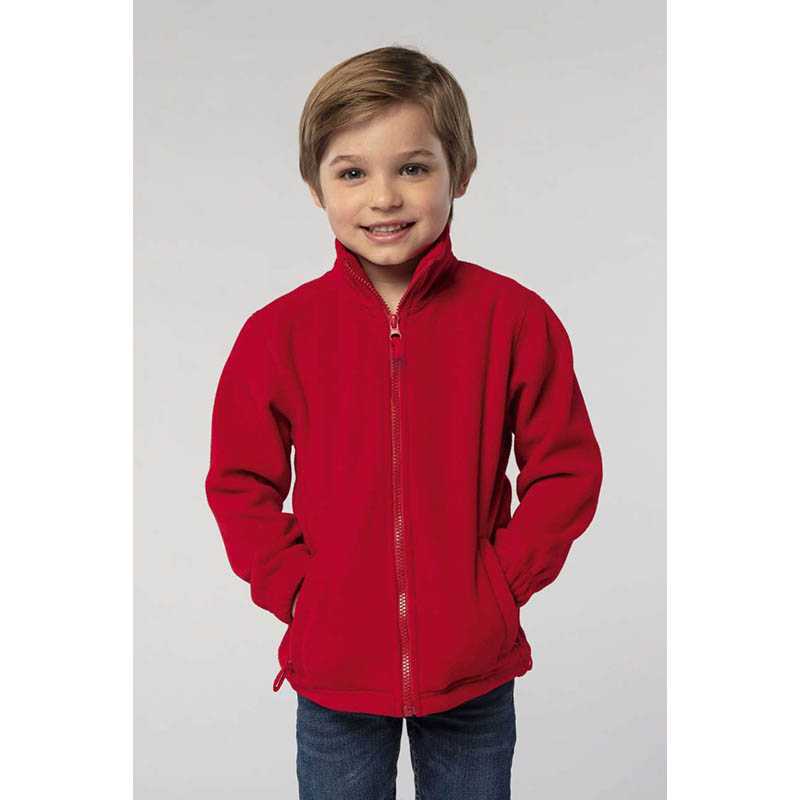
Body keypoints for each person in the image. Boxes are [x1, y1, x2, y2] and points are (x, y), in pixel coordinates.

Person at [205, 44, 603, 800]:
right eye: (352, 173)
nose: (384, 197)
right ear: (316, 187)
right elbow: (240, 483)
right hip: (334, 672)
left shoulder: (514, 319)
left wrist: (499, 588)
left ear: (460, 171)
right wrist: (300, 595)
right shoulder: (277, 334)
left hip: (472, 671)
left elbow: (566, 470)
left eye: (413, 167)